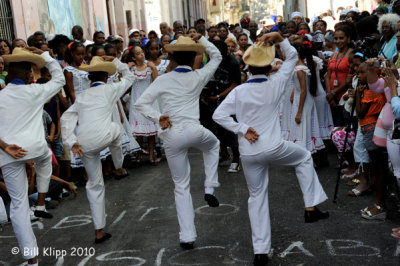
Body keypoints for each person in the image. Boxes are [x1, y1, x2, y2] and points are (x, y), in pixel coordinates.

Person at [212, 32, 328, 266]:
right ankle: (310, 207)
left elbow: (218, 115)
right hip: (273, 147)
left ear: (248, 67)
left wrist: (243, 128)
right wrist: (277, 37)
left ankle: (260, 252)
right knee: (305, 157)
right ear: (268, 67)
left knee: (256, 197)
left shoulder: (239, 90)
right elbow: (293, 55)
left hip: (249, 151)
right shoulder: (276, 83)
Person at [134, 33, 222, 250]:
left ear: (172, 58)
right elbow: (217, 56)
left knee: (181, 186)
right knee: (214, 145)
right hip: (194, 130)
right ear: (194, 58)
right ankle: (210, 187)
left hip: (171, 134)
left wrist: (157, 117)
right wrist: (202, 40)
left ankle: (187, 237)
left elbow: (140, 104)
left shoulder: (163, 79)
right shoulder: (198, 75)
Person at [0, 47, 65, 266]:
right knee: (46, 158)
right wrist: (45, 56)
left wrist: (5, 146)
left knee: (18, 205)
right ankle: (40, 202)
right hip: (35, 148)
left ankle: (32, 260)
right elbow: (59, 79)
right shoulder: (35, 91)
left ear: (8, 74)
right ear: (29, 75)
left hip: (7, 152)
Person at [61, 55, 134, 243]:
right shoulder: (111, 88)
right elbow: (130, 76)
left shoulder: (82, 96)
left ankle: (99, 231)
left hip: (84, 143)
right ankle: (118, 166)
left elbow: (66, 118)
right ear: (106, 77)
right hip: (104, 136)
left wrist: (71, 140)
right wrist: (116, 61)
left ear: (89, 78)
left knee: (94, 185)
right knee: (117, 130)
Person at [126, 45, 159, 164]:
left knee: (151, 133)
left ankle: (150, 155)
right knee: (139, 132)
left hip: (149, 102)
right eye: (138, 53)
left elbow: (157, 82)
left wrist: (154, 69)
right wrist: (126, 69)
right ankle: (139, 154)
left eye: (142, 52)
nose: (142, 55)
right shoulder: (132, 69)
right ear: (134, 58)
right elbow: (125, 83)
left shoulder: (149, 67)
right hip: (136, 101)